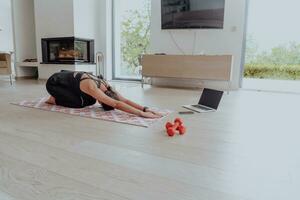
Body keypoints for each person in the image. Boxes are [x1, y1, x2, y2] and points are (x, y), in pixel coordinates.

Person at [45, 70, 162, 118]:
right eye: (102, 102)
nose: (99, 102)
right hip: (54, 83)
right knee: (80, 103)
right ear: (103, 99)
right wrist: (141, 114)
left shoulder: (107, 86)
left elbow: (124, 100)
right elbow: (116, 104)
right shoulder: (92, 87)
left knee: (90, 101)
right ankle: (54, 99)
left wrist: (146, 109)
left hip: (67, 80)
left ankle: (63, 94)